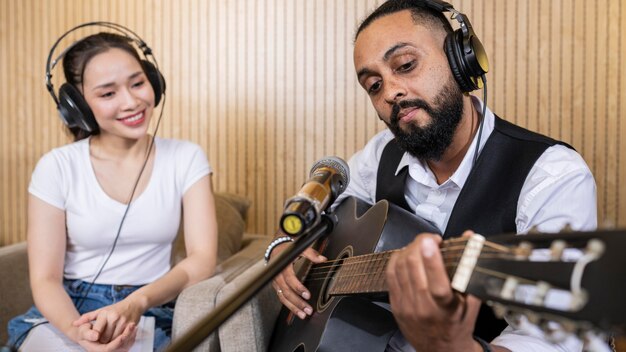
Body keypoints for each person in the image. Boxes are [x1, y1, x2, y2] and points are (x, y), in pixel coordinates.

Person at [270, 1, 596, 352]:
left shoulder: (551, 176)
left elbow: (552, 342)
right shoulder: (380, 153)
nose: (391, 91)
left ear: (461, 61)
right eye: (374, 85)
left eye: (406, 65)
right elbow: (318, 221)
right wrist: (284, 250)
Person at [7, 29, 218, 351]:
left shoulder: (186, 157)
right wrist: (79, 335)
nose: (132, 102)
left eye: (137, 83)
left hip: (151, 304)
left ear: (154, 81)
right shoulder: (56, 166)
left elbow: (202, 259)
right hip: (70, 310)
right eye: (108, 94)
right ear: (77, 105)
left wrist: (136, 302)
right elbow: (45, 279)